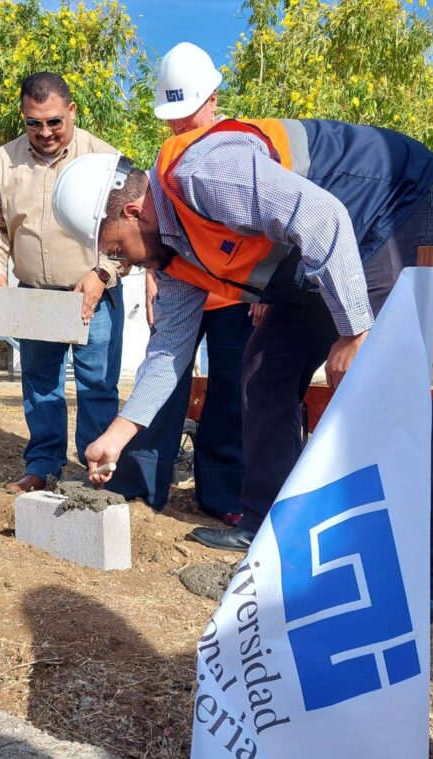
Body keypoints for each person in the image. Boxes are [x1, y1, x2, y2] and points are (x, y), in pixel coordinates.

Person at [52, 115, 433, 622]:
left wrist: (358, 333)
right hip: (328, 252)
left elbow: (321, 217)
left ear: (134, 210)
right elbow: (170, 350)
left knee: (386, 378)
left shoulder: (205, 174)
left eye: (117, 248)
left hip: (397, 211)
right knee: (263, 370)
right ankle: (268, 527)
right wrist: (118, 434)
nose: (127, 264)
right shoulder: (174, 253)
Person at [107, 43, 253, 526]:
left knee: (231, 392)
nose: (178, 126)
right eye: (171, 118)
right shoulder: (168, 160)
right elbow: (157, 228)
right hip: (184, 292)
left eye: (186, 114)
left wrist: (267, 297)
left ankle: (222, 495)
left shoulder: (241, 150)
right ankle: (142, 484)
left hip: (238, 297)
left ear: (213, 98)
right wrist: (153, 275)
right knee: (165, 385)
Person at [0, 73, 124, 493]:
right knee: (41, 387)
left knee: (97, 386)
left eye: (54, 122)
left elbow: (131, 229)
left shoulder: (105, 159)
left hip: (94, 294)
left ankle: (97, 473)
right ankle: (43, 465)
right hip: (35, 295)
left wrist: (102, 274)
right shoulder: (3, 161)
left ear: (72, 111)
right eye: (33, 123)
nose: (45, 133)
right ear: (23, 117)